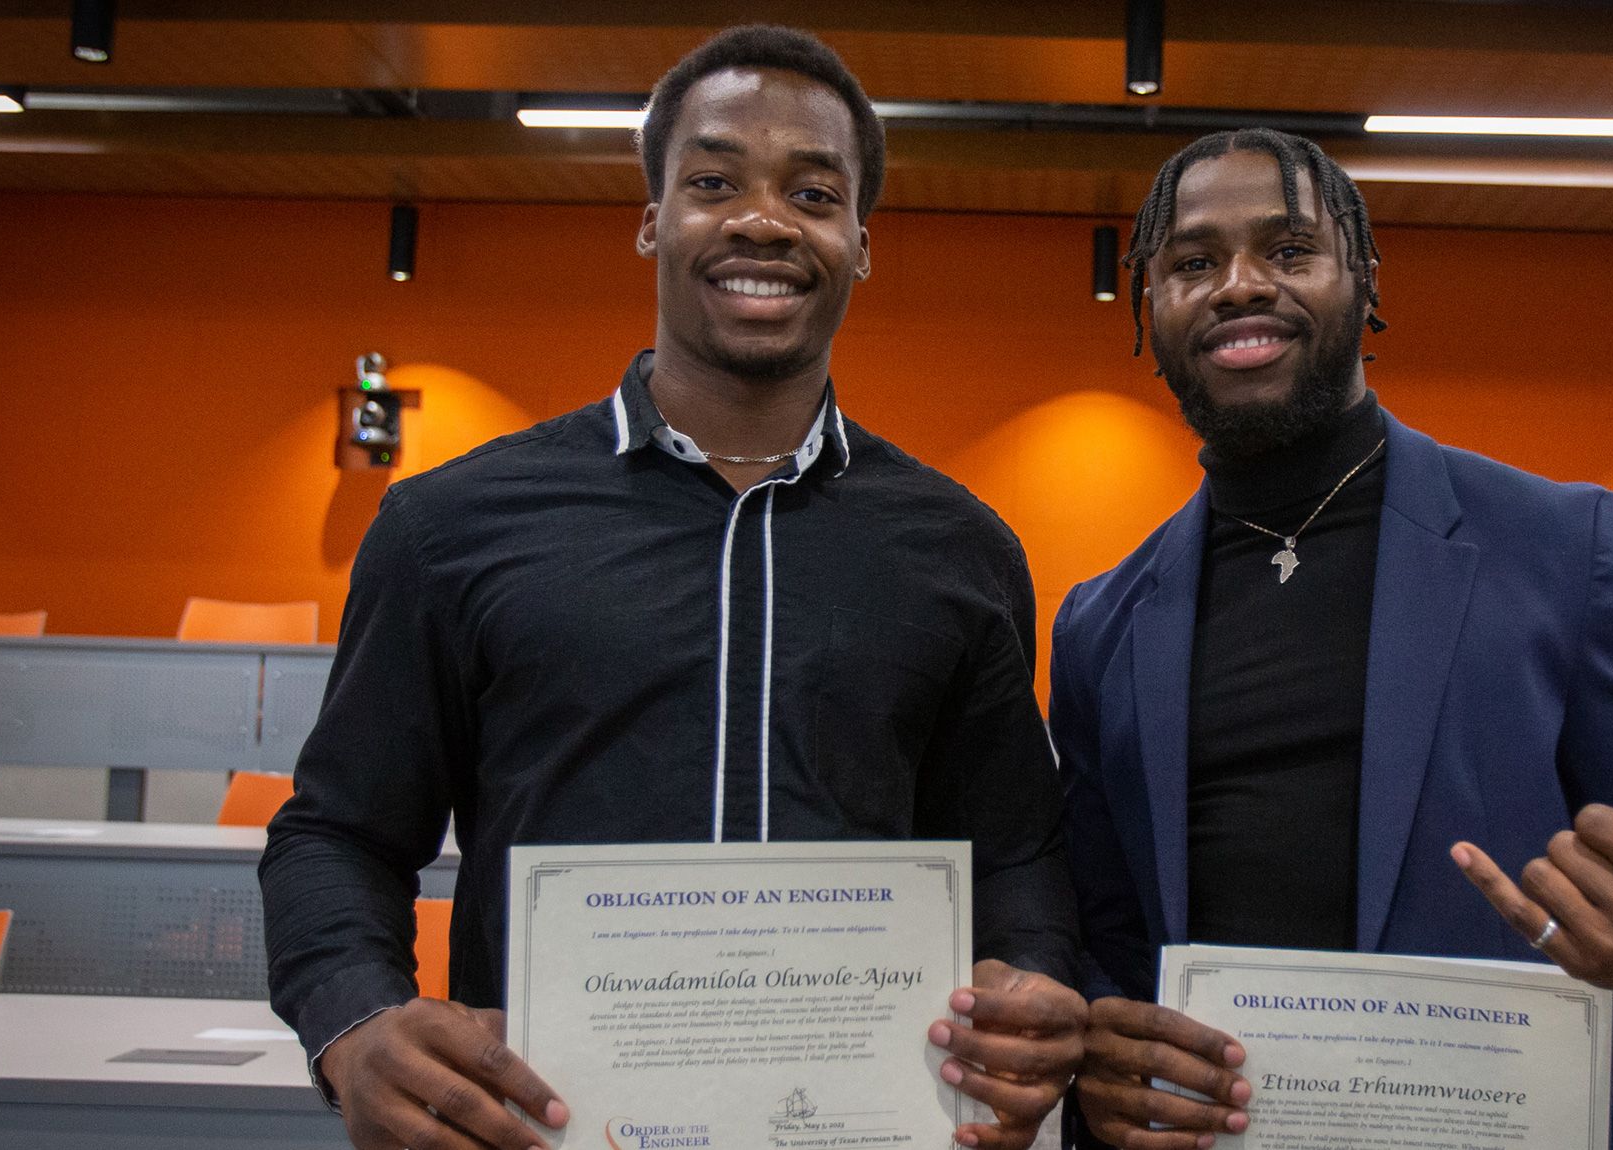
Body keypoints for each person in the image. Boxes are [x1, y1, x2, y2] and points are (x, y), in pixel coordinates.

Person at [260, 26, 1085, 1150]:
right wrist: (354, 1022)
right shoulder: (448, 526)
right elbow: (338, 833)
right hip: (547, 1127)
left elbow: (1016, 850)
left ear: (859, 240)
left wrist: (1032, 980)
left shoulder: (958, 549)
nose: (761, 219)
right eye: (711, 181)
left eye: (812, 191)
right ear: (652, 218)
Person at [1049, 128, 1613, 1150]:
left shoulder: (1562, 547)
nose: (1236, 285)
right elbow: (1104, 930)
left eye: (1288, 249)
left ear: (1363, 281)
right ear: (1150, 310)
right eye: (1190, 262)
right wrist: (1101, 1049)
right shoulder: (1101, 621)